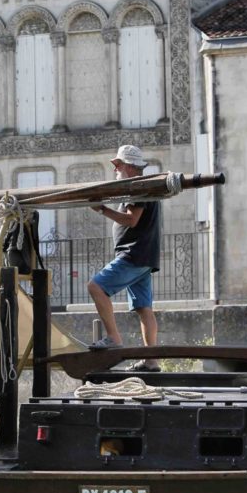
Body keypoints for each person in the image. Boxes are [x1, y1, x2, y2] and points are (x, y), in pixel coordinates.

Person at [87, 144, 161, 373]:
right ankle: (151, 360)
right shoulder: (140, 188)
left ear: (129, 166)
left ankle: (113, 338)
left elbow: (131, 220)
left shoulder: (138, 188)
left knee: (96, 287)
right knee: (143, 308)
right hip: (143, 256)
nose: (115, 169)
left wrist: (101, 209)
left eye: (118, 165)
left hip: (134, 254)